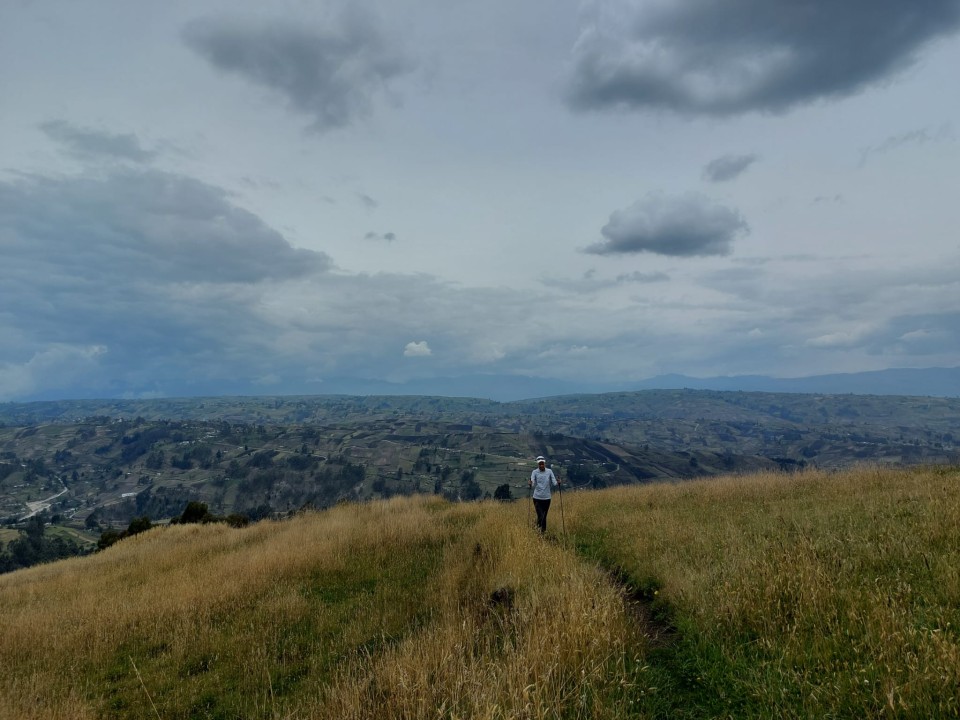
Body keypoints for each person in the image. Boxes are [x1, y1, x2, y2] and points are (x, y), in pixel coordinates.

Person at [529, 455, 559, 534]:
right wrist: (530, 483)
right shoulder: (534, 472)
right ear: (538, 464)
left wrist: (558, 482)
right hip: (537, 498)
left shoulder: (549, 471)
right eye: (540, 464)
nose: (541, 465)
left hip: (547, 498)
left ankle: (542, 532)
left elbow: (554, 483)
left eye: (542, 464)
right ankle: (540, 531)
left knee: (544, 516)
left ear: (544, 463)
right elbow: (532, 483)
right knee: (541, 516)